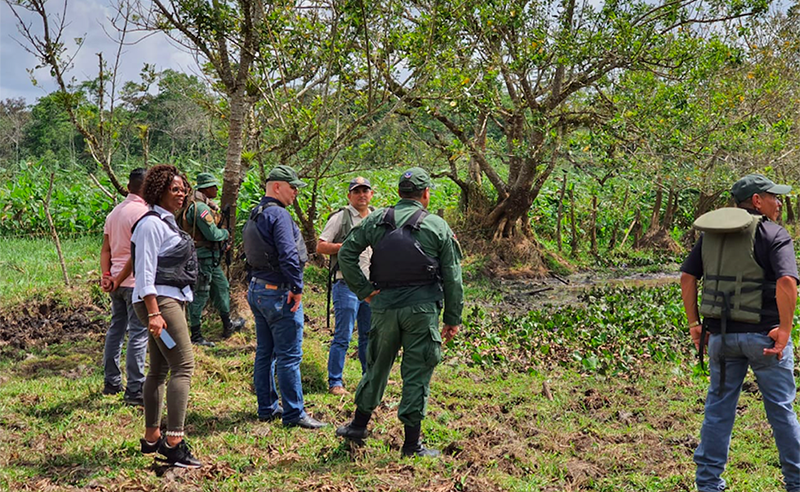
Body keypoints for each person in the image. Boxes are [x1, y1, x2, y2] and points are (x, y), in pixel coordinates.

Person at [680, 174, 800, 492]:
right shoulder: (774, 234)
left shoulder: (711, 237)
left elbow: (687, 277)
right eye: (773, 197)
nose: (778, 202)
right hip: (765, 339)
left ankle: (707, 485)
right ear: (757, 201)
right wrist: (785, 331)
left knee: (718, 411)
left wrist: (695, 325)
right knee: (781, 411)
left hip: (720, 338)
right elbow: (788, 282)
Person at [335, 167, 463, 457]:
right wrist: (452, 319)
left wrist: (364, 290)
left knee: (377, 364)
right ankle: (411, 444)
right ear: (426, 194)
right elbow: (453, 277)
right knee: (416, 372)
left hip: (383, 307)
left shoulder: (377, 219)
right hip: (421, 311)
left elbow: (346, 253)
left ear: (399, 193)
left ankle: (358, 425)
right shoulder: (437, 226)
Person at [243, 164, 327, 429]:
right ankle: (294, 414)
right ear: (277, 186)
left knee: (265, 353)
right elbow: (288, 254)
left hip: (257, 289)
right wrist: (297, 288)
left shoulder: (256, 213)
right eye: (292, 188)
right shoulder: (279, 215)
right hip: (278, 293)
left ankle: (266, 408)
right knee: (289, 356)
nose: (296, 194)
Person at [131, 164, 202, 468]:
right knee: (183, 365)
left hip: (166, 301)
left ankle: (151, 438)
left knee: (158, 370)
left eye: (183, 188)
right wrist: (155, 313)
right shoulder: (150, 224)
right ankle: (174, 442)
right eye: (175, 189)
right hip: (161, 303)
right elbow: (144, 273)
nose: (181, 193)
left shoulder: (168, 222)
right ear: (159, 191)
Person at [317, 177, 375, 396]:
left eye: (365, 191)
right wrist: (344, 247)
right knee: (343, 334)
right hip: (346, 283)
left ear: (371, 194)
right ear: (349, 196)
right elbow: (320, 245)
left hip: (371, 286)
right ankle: (335, 382)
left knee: (369, 335)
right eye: (357, 191)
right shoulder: (341, 217)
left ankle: (368, 378)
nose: (361, 195)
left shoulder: (376, 218)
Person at [100, 168, 149, 406]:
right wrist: (119, 278)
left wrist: (107, 276)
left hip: (117, 283)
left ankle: (111, 382)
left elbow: (106, 250)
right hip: (134, 282)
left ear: (128, 187)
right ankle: (135, 388)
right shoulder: (144, 214)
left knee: (116, 330)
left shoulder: (114, 213)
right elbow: (137, 253)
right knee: (138, 335)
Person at [179, 172, 244, 347]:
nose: (216, 189)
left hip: (211, 258)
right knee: (200, 294)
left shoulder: (203, 205)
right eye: (213, 186)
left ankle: (227, 324)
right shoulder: (201, 209)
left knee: (222, 287)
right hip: (203, 258)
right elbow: (212, 234)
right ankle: (196, 334)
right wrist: (226, 233)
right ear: (205, 188)